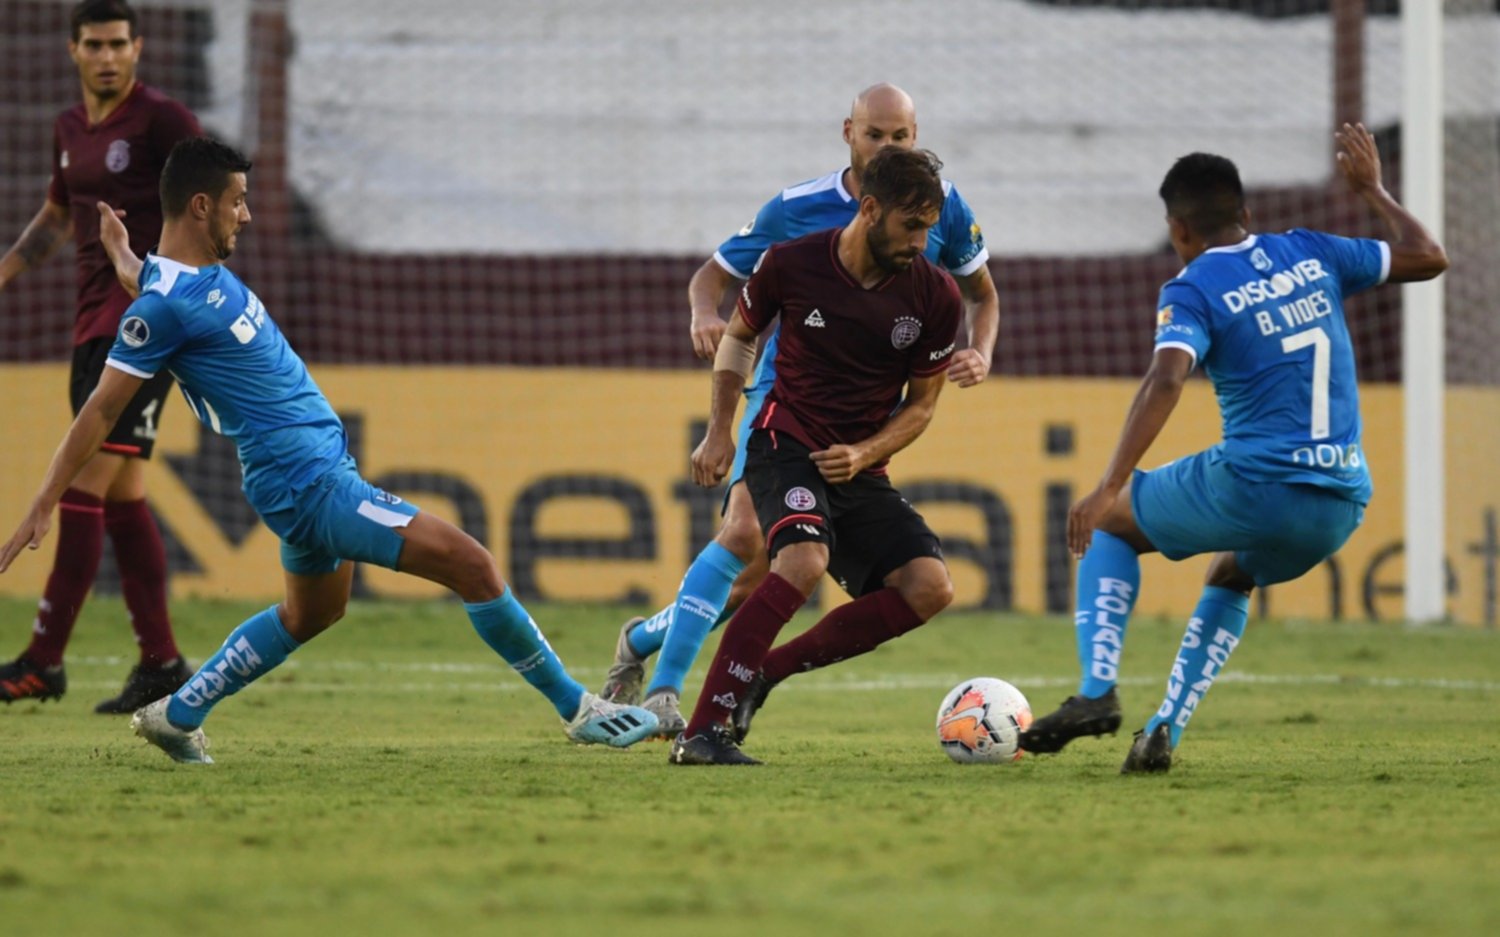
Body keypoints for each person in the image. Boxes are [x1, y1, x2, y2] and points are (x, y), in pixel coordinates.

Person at [0, 137, 659, 763]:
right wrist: (43, 500)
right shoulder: (166, 305)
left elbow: (146, 285)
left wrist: (118, 249)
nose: (248, 214)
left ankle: (178, 713)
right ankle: (580, 709)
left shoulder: (169, 283)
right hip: (309, 483)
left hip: (305, 474)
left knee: (312, 611)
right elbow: (104, 406)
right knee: (473, 562)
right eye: (238, 200)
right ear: (200, 206)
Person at [1019, 124, 1448, 773]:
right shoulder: (1311, 251)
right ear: (1247, 212)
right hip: (1340, 503)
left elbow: (1166, 376)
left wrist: (1110, 482)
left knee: (1111, 523)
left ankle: (1096, 692)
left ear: (1178, 230)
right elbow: (1429, 255)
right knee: (1232, 572)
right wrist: (1374, 190)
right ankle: (1162, 728)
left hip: (1257, 482)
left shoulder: (1192, 286)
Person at [601, 84, 999, 738]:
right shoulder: (797, 213)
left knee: (764, 571)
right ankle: (671, 692)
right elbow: (717, 281)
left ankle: (645, 639)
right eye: (877, 134)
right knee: (745, 539)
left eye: (901, 137)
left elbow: (983, 296)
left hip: (861, 424)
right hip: (783, 394)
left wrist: (980, 352)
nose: (889, 147)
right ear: (849, 133)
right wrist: (708, 332)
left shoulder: (941, 208)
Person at [668, 146, 963, 765]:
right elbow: (740, 340)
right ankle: (702, 734)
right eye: (912, 226)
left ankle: (764, 673)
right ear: (870, 208)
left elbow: (922, 407)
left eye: (930, 227)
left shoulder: (935, 297)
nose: (921, 241)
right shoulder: (792, 263)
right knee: (802, 560)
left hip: (857, 464)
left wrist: (864, 452)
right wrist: (720, 431)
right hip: (784, 442)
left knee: (929, 588)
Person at [0, 0, 201, 712]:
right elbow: (59, 215)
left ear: (138, 48)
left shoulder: (162, 121)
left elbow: (209, 198)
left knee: (81, 486)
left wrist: (178, 293)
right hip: (91, 327)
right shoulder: (68, 131)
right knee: (122, 495)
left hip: (144, 329)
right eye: (95, 45)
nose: (108, 56)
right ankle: (163, 662)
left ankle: (43, 660)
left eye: (120, 44)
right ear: (73, 50)